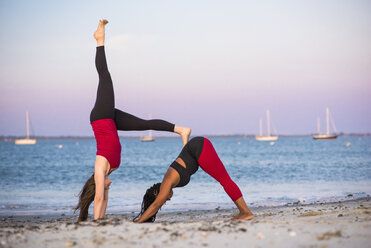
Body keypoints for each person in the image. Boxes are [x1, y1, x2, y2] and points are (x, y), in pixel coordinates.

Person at [74, 20, 191, 221]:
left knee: (104, 76)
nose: (107, 187)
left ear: (97, 182)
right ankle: (180, 129)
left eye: (102, 185)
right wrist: (101, 221)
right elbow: (104, 200)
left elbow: (99, 197)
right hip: (109, 122)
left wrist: (94, 223)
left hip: (101, 118)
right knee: (144, 125)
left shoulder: (100, 168)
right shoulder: (110, 169)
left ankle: (99, 40)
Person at [134, 136, 254, 222]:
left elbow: (156, 204)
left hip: (199, 147)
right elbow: (157, 203)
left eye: (164, 199)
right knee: (224, 179)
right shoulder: (170, 181)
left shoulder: (167, 180)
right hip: (198, 146)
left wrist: (139, 222)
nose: (167, 199)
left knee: (224, 180)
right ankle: (244, 211)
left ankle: (246, 213)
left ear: (158, 193)